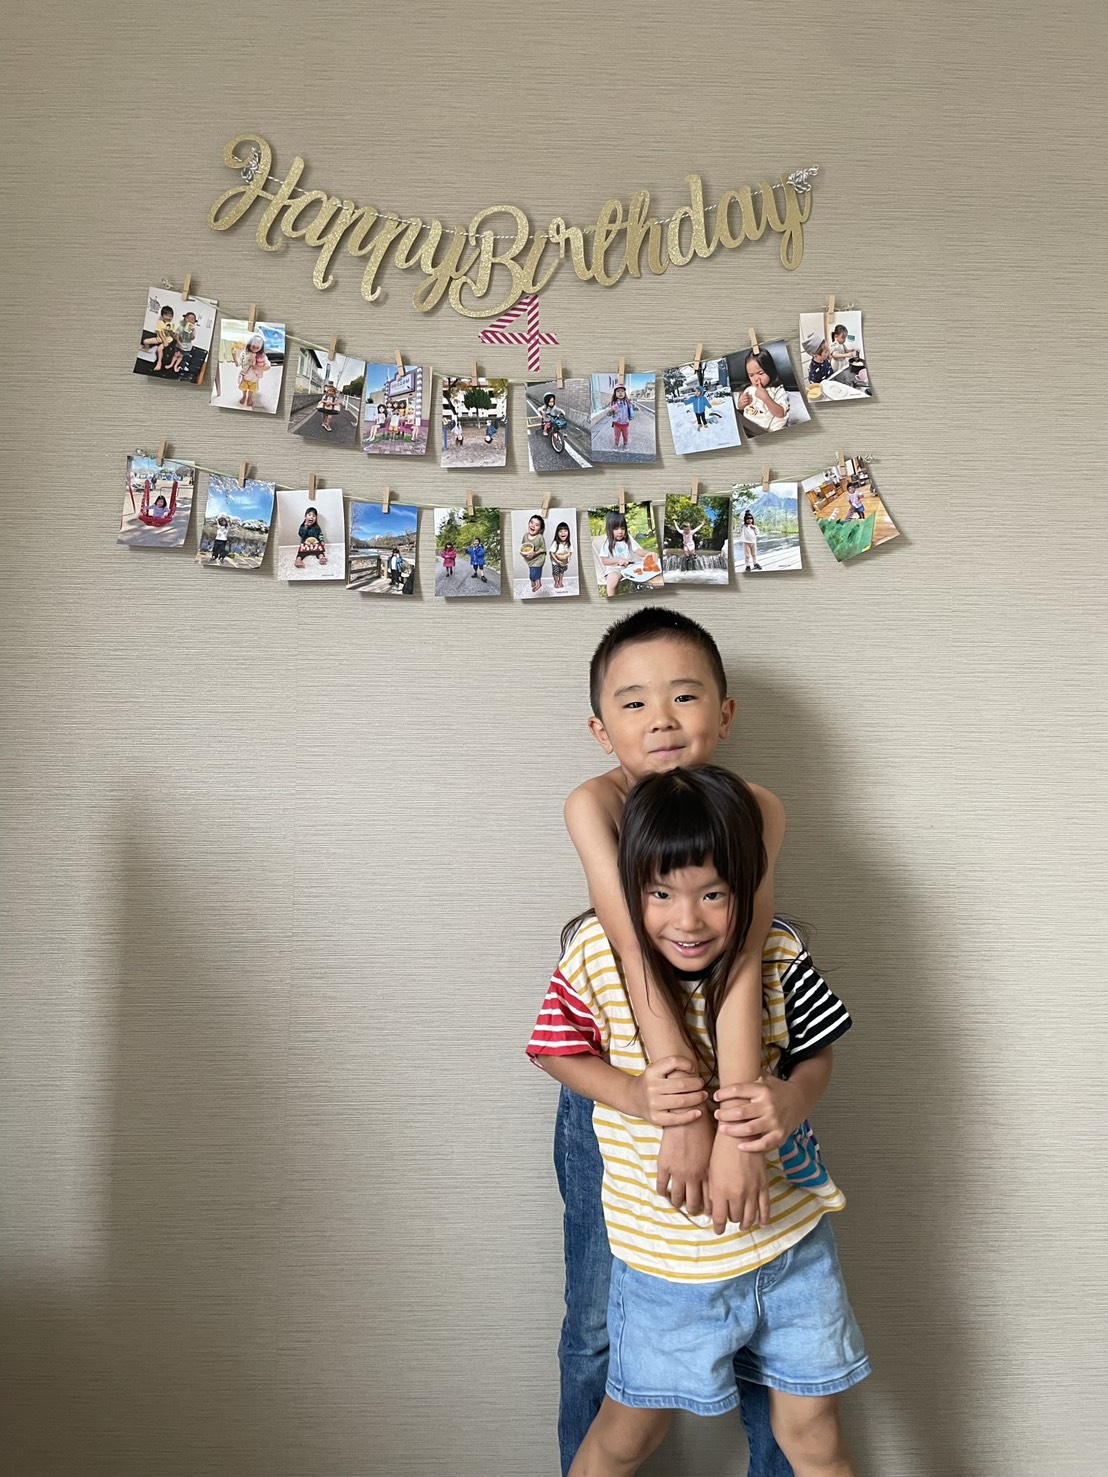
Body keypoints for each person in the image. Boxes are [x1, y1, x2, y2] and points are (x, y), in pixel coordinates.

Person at [530, 766, 868, 1477]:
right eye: (660, 894)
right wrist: (632, 1093)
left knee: (815, 1438)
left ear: (747, 886)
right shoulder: (596, 956)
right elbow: (555, 1050)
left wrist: (793, 1099)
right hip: (665, 1265)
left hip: (792, 1249)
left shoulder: (776, 954)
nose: (687, 921)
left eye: (713, 894)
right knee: (626, 1436)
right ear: (630, 886)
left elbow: (816, 1055)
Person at [554, 610, 793, 1476]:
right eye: (634, 702)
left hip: (740, 1074)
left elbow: (744, 962)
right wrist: (677, 1110)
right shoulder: (595, 804)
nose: (661, 718)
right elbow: (633, 956)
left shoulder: (757, 807)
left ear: (723, 714)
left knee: (766, 1292)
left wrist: (733, 1128)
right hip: (623, 1084)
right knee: (597, 1319)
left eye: (684, 696)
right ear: (601, 728)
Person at [737, 350, 790, 438]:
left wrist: (766, 398)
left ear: (770, 371)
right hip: (747, 426)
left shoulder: (778, 391)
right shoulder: (749, 389)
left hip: (764, 431)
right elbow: (741, 409)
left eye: (760, 373)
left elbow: (780, 413)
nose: (756, 379)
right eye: (751, 375)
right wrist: (741, 404)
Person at [235, 331, 271, 408]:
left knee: (252, 390)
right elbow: (238, 364)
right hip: (244, 377)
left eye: (257, 347)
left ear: (261, 347)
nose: (255, 348)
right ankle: (244, 396)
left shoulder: (262, 356)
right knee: (243, 389)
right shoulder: (244, 354)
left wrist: (258, 368)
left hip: (254, 379)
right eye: (253, 346)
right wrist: (234, 355)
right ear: (249, 344)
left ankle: (250, 397)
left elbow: (268, 366)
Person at [145, 304, 177, 373]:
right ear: (162, 315)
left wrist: (171, 332)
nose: (168, 317)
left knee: (159, 349)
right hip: (160, 338)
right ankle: (147, 349)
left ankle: (159, 363)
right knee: (145, 341)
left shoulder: (172, 325)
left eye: (170, 316)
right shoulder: (160, 323)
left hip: (168, 340)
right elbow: (159, 332)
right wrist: (163, 341)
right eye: (166, 315)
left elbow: (173, 336)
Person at [520, 514, 547, 594]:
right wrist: (522, 553)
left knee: (533, 575)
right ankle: (536, 582)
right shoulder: (525, 536)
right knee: (534, 573)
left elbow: (543, 549)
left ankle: (537, 583)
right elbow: (523, 546)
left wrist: (535, 553)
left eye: (537, 525)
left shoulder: (540, 537)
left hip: (538, 559)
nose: (533, 526)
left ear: (540, 529)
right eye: (531, 522)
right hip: (529, 559)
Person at [607, 384, 635, 449]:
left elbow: (631, 410)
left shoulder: (628, 402)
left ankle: (626, 443)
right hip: (617, 425)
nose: (620, 393)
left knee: (626, 436)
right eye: (618, 391)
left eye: (622, 391)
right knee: (617, 436)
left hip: (626, 424)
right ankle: (617, 444)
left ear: (625, 393)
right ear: (615, 393)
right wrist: (611, 410)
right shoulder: (613, 403)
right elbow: (608, 414)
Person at [550, 521, 573, 591]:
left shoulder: (568, 543)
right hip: (555, 563)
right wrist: (557, 560)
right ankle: (556, 582)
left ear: (568, 532)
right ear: (557, 533)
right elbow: (551, 553)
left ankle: (560, 581)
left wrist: (569, 559)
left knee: (562, 572)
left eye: (565, 531)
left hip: (564, 562)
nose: (563, 533)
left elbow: (570, 552)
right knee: (556, 573)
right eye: (560, 531)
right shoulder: (555, 543)